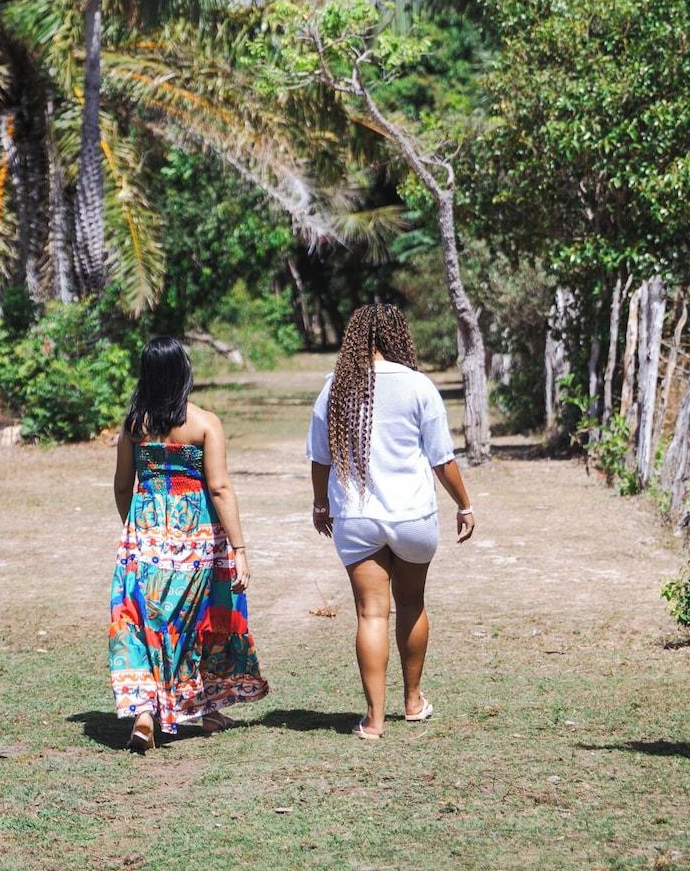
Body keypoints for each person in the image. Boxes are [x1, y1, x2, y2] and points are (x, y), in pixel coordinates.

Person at [308, 302, 476, 739]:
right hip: (412, 517)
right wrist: (464, 504)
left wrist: (319, 505)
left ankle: (374, 721)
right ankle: (414, 701)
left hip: (357, 517)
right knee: (413, 604)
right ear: (399, 337)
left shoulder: (335, 387)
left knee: (371, 614)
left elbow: (320, 459)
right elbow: (442, 459)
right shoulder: (420, 387)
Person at [109, 335, 269, 750]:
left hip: (143, 538)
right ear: (184, 373)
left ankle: (146, 714)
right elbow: (218, 488)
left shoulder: (134, 425)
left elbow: (123, 485)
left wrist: (137, 530)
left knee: (142, 623)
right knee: (197, 624)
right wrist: (239, 548)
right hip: (197, 540)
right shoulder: (204, 423)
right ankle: (203, 708)